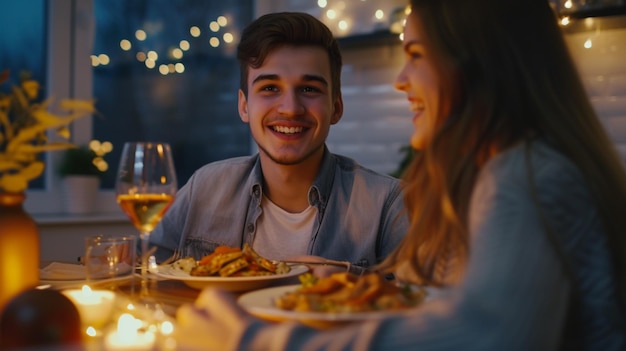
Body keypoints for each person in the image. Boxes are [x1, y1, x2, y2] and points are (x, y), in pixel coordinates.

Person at [173, 0, 626, 349]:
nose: (401, 79)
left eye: (416, 54)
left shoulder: (527, 175)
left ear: (476, 64)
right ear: (243, 103)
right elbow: (438, 304)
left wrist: (251, 342)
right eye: (269, 87)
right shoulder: (509, 172)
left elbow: (488, 336)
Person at [148, 12, 408, 273]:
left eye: (309, 89)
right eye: (270, 88)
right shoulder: (203, 189)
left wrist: (352, 283)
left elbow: (427, 303)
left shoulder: (387, 204)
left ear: (336, 108)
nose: (291, 109)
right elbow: (141, 268)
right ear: (244, 106)